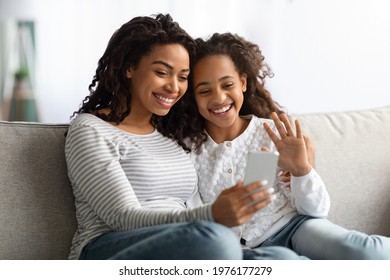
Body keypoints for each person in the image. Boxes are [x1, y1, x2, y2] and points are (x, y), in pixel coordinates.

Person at [64, 14, 298, 260]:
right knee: (217, 241)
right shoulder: (90, 129)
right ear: (129, 67)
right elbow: (123, 218)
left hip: (190, 239)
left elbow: (227, 128)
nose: (174, 87)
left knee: (286, 260)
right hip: (109, 247)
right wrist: (212, 215)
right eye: (162, 72)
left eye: (183, 77)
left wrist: (299, 166)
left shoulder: (172, 133)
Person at [161, 32, 390, 259]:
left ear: (242, 82)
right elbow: (196, 216)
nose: (219, 98)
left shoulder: (272, 133)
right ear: (192, 96)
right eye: (205, 90)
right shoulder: (188, 149)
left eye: (227, 84)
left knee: (370, 251)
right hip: (242, 250)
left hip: (295, 228)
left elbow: (316, 211)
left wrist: (302, 171)